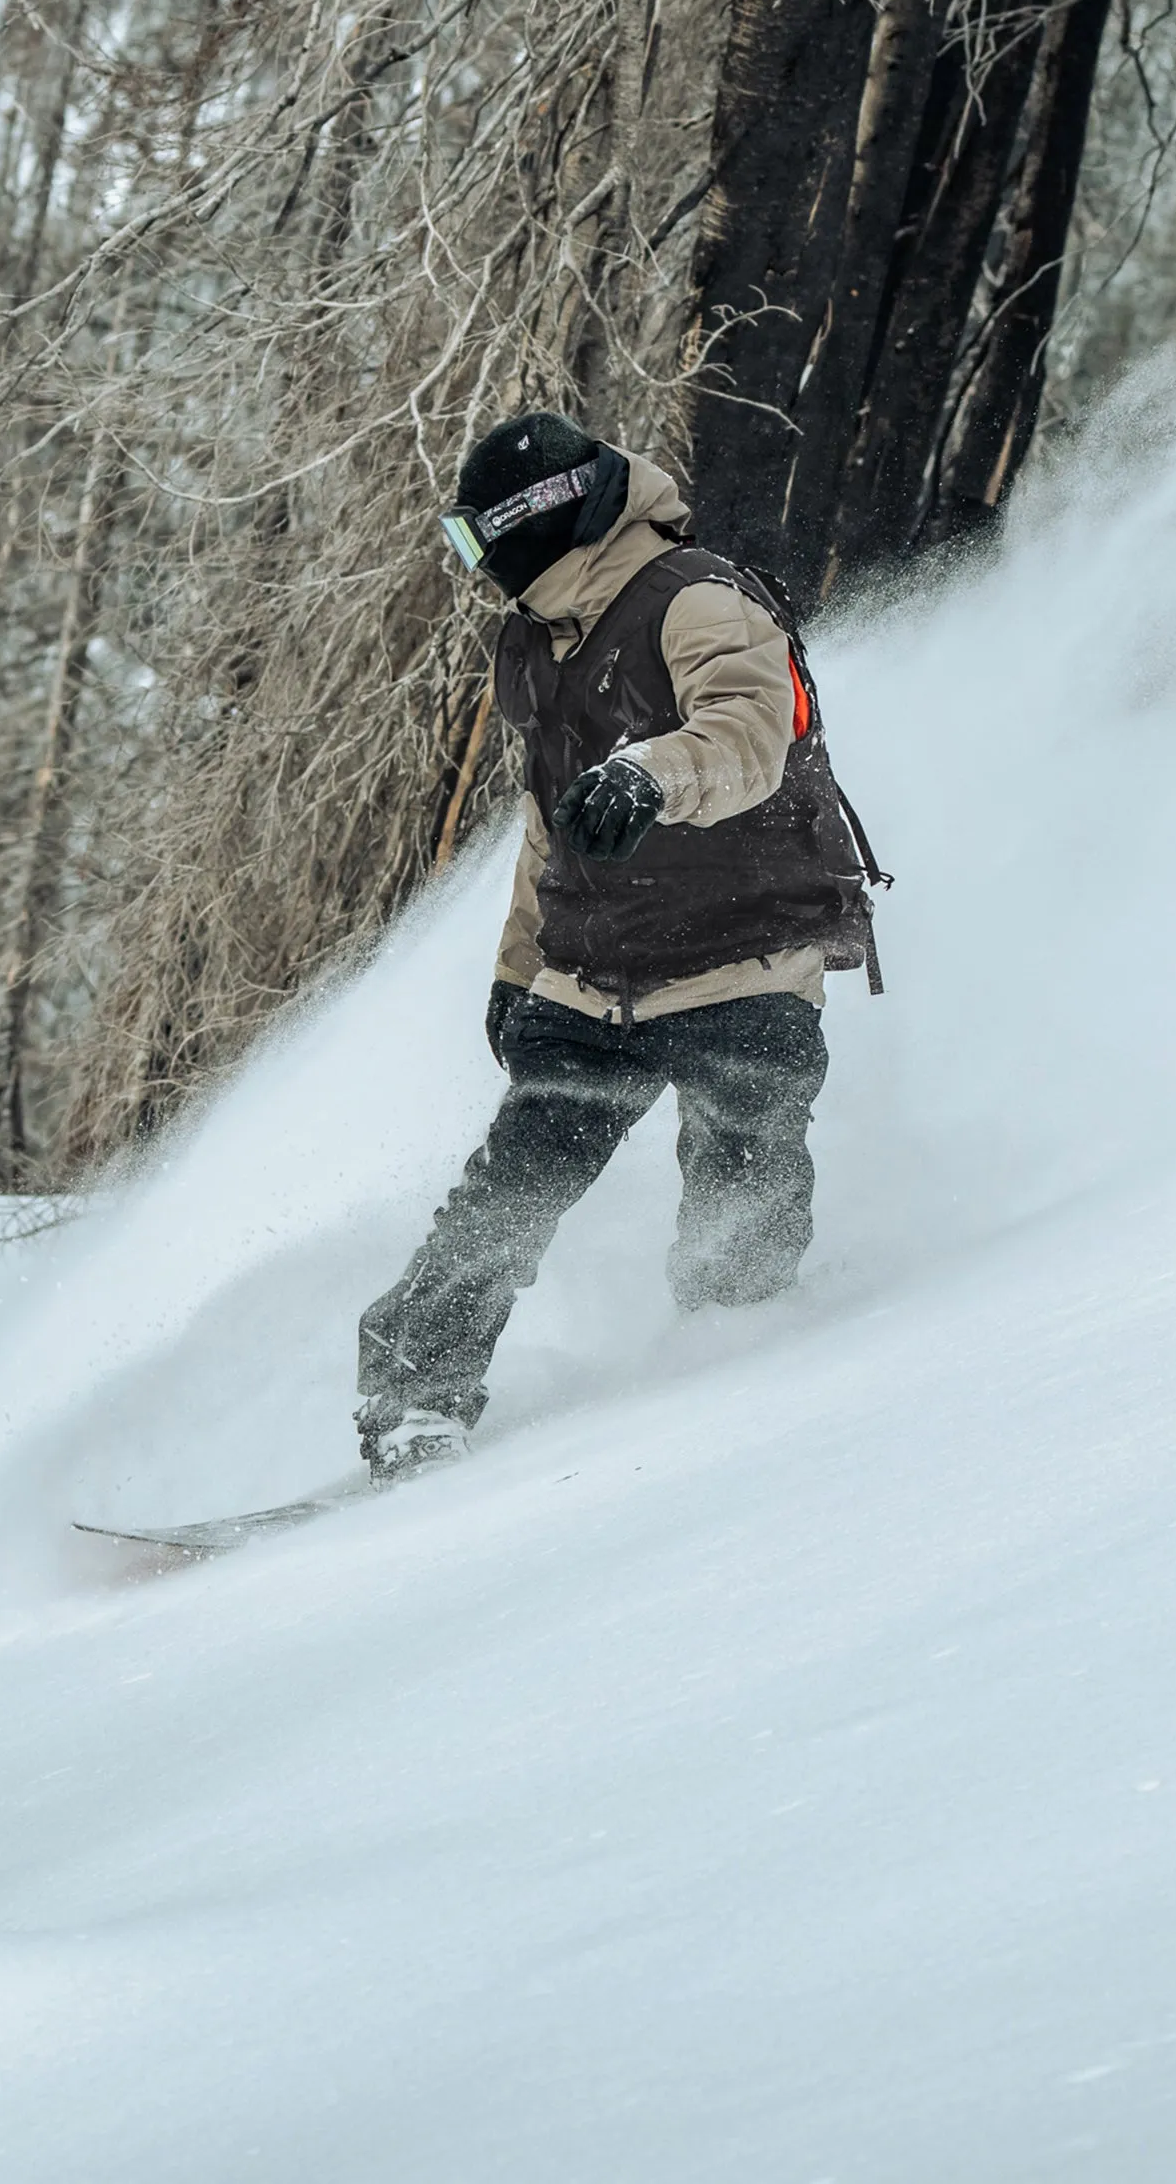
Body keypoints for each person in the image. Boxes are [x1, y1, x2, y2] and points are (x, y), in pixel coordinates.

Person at [355, 411, 884, 1483]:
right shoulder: (538, 643)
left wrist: (651, 774)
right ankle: (412, 1401)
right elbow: (548, 829)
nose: (475, 570)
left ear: (533, 524)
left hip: (746, 957)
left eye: (474, 544)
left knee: (743, 1183)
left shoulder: (695, 598)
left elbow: (747, 730)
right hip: (599, 980)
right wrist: (516, 974)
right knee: (510, 1193)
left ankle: (736, 1387)